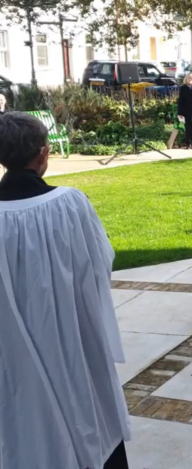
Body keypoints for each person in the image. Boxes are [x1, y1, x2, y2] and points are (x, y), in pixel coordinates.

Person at [0, 112, 131, 469]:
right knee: (87, 414)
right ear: (43, 154)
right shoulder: (70, 204)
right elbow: (100, 262)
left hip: (12, 352)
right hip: (72, 336)